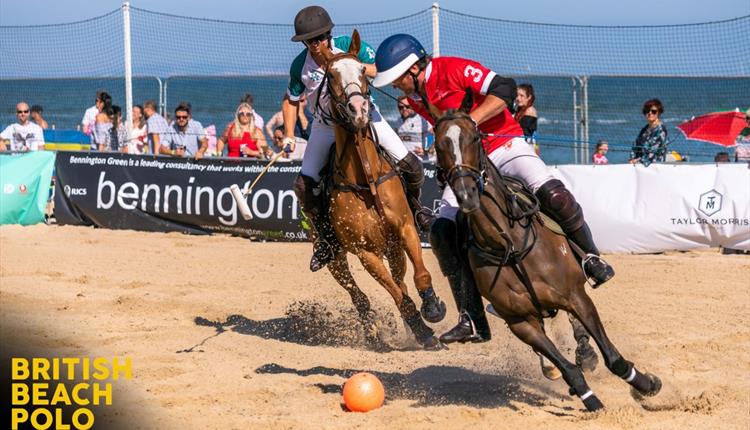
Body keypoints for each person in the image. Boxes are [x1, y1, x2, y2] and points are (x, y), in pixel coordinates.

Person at [373, 34, 615, 343]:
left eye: (396, 79)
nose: (395, 87)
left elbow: (505, 88)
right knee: (442, 232)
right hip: (469, 165)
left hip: (504, 144)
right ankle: (472, 318)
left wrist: (470, 121)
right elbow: (367, 71)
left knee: (555, 195)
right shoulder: (417, 95)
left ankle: (591, 259)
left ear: (413, 70)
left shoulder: (453, 69)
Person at [282, 6, 433, 272]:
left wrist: (353, 66)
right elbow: (291, 100)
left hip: (365, 116)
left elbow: (380, 69)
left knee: (411, 165)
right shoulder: (300, 66)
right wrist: (290, 135)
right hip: (326, 126)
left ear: (329, 34)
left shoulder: (348, 45)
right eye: (309, 41)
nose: (315, 45)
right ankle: (327, 240)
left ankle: (416, 210)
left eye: (319, 39)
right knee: (305, 187)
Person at [630, 99, 668, 166]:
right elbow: (635, 146)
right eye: (647, 111)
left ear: (658, 113)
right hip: (639, 166)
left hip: (654, 167)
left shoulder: (661, 130)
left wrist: (638, 160)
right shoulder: (644, 129)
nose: (650, 113)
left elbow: (653, 152)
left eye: (653, 111)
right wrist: (632, 158)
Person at [514, 83, 540, 155]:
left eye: (522, 96)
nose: (518, 98)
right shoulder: (520, 109)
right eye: (517, 95)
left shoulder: (530, 111)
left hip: (528, 147)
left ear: (529, 97)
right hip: (522, 145)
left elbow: (524, 133)